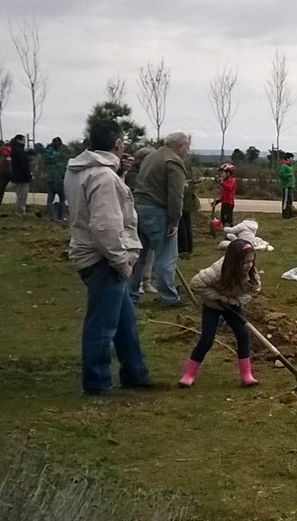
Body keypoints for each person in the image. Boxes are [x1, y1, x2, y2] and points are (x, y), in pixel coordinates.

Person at [65, 118, 149, 395]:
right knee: (102, 324)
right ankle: (97, 382)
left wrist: (120, 174)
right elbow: (105, 226)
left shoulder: (83, 170)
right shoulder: (103, 177)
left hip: (92, 253)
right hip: (102, 259)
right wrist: (121, 262)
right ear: (117, 143)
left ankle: (135, 372)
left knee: (124, 320)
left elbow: (102, 207)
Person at [178, 238, 262, 389]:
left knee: (243, 335)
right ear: (234, 261)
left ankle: (246, 375)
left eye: (251, 261)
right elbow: (196, 283)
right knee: (207, 340)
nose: (249, 265)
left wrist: (238, 301)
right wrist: (219, 298)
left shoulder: (251, 274)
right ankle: (188, 374)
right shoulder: (217, 271)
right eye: (245, 262)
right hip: (212, 305)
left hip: (233, 305)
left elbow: (254, 290)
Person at [130, 132, 190, 308]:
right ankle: (169, 298)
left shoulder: (151, 156)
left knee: (139, 256)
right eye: (187, 147)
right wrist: (174, 221)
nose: (188, 151)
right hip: (158, 211)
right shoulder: (174, 162)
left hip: (139, 209)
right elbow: (175, 196)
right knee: (166, 256)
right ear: (180, 147)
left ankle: (130, 294)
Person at [42, 137, 68, 222]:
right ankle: (61, 217)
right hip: (59, 179)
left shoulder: (46, 153)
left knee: (50, 200)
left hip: (50, 179)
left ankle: (52, 217)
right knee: (62, 199)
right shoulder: (60, 155)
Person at [9, 134, 33, 215]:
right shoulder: (19, 151)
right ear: (18, 140)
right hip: (22, 177)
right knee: (22, 195)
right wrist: (29, 175)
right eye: (23, 140)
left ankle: (21, 210)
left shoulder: (14, 150)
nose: (25, 142)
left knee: (20, 195)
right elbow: (24, 164)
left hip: (16, 176)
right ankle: (20, 212)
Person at [215, 163, 237, 227]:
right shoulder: (225, 181)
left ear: (228, 173)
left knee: (228, 221)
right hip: (224, 203)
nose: (221, 175)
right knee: (223, 220)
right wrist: (218, 201)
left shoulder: (231, 180)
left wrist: (221, 183)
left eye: (222, 173)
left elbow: (229, 188)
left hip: (229, 204)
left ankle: (230, 233)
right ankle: (227, 233)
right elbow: (224, 195)